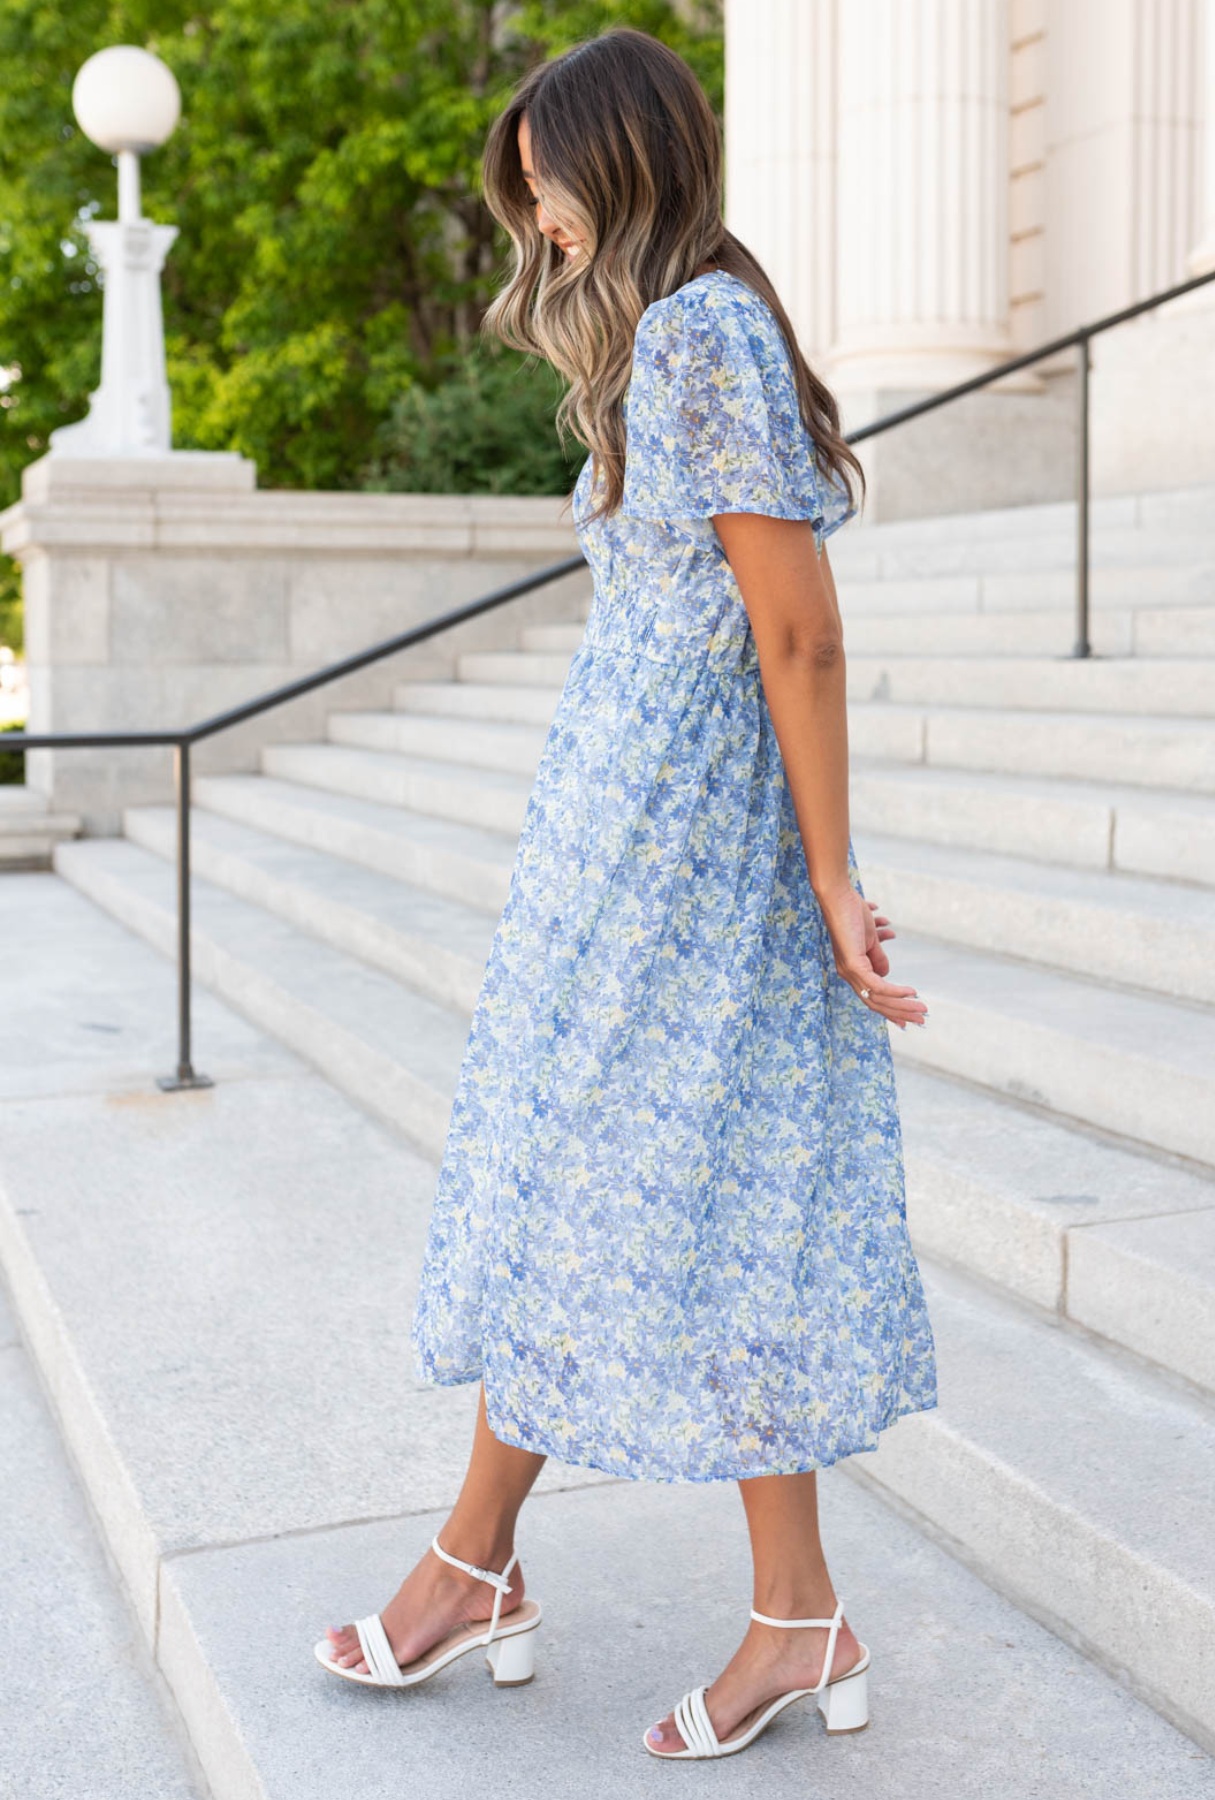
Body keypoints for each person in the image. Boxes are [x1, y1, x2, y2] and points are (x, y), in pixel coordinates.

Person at [316, 24, 938, 1761]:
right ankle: (668, 1596)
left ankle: (490, 1571)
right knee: (606, 1178)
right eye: (521, 191)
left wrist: (826, 871)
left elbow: (795, 630)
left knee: (628, 1180)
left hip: (692, 849)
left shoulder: (702, 331)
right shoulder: (676, 337)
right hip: (627, 834)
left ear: (630, 162)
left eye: (551, 182)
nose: (538, 220)